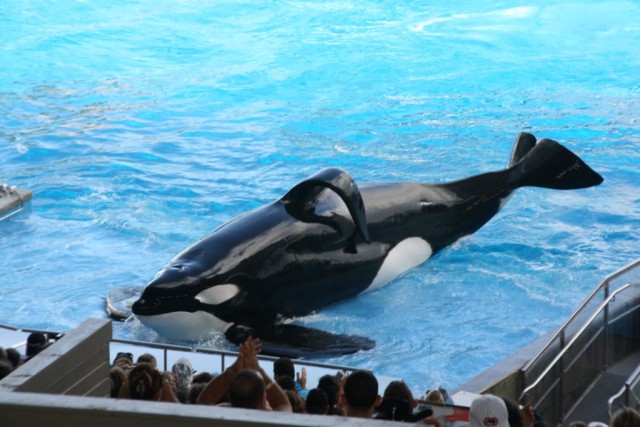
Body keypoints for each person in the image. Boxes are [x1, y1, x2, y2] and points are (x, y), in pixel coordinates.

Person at [197, 336, 292, 412]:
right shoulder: (273, 422)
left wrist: (232, 370)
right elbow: (283, 404)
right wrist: (259, 370)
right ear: (263, 401)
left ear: (229, 396)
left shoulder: (215, 418)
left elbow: (204, 400)